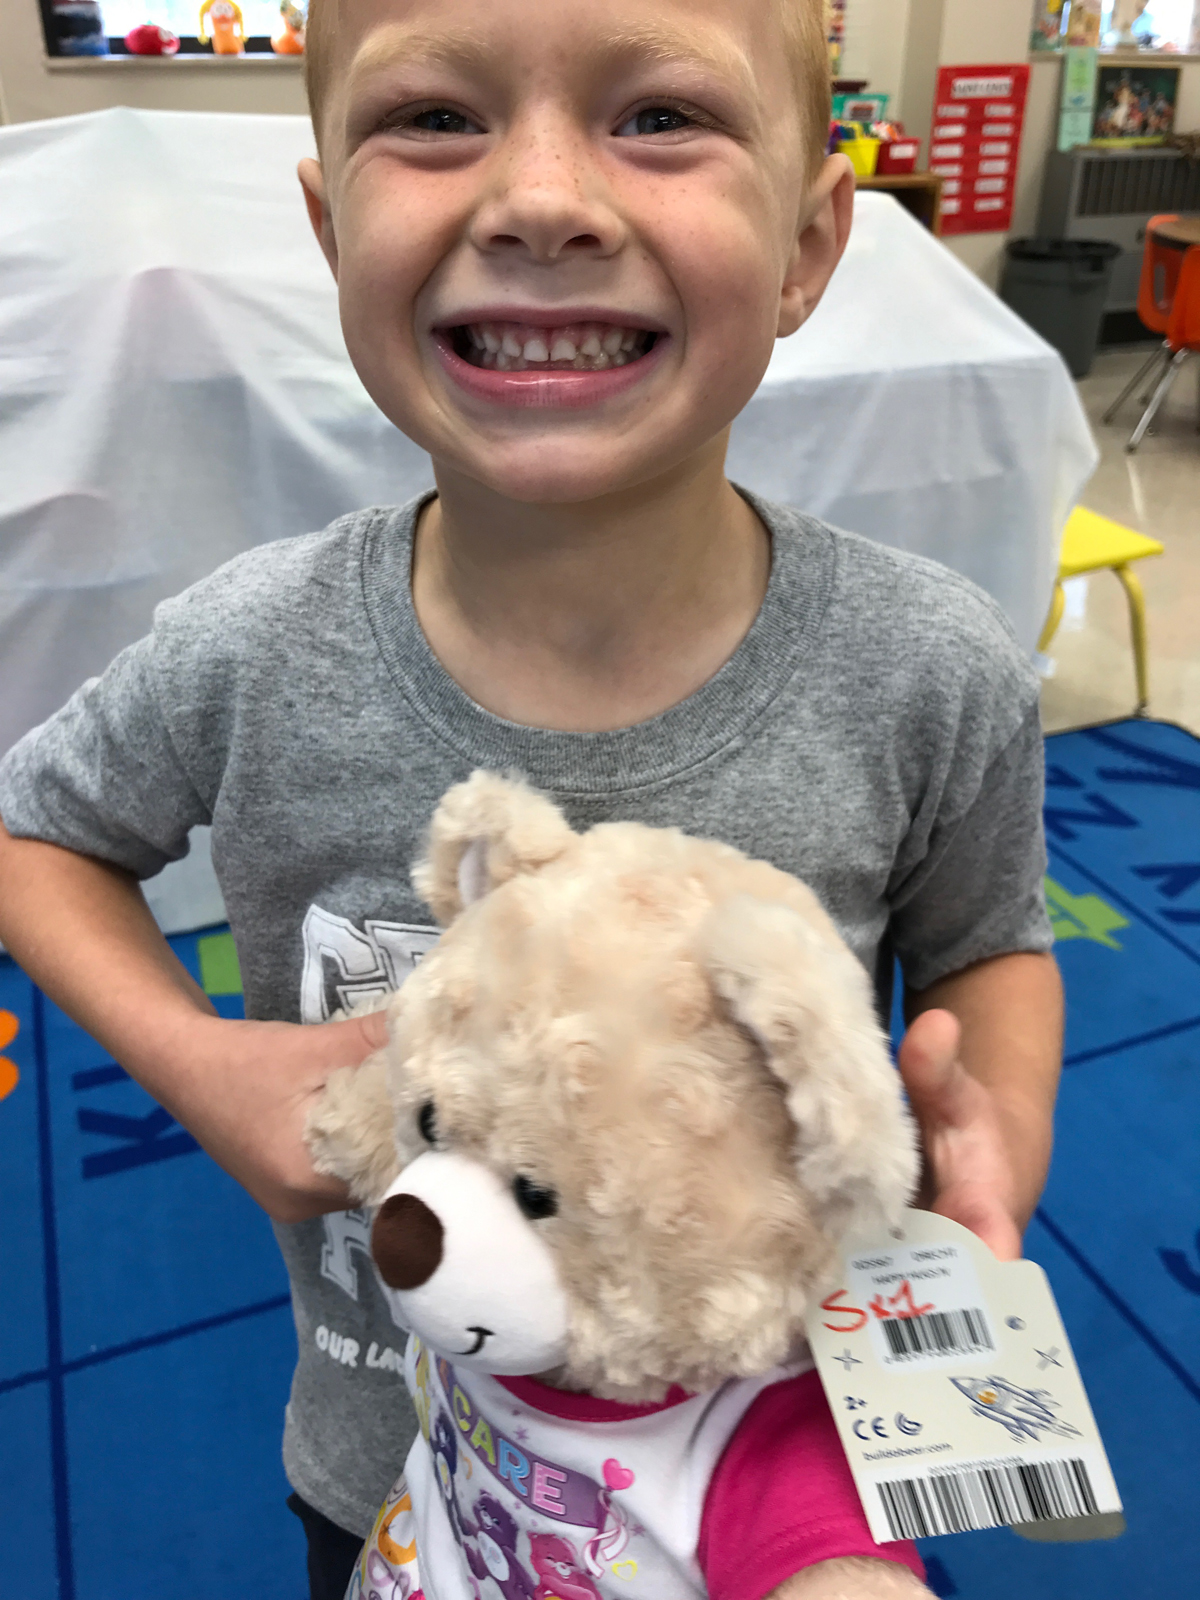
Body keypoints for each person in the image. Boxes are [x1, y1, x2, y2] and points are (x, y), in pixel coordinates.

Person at [0, 0, 1062, 1595]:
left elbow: (990, 939)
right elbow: (36, 835)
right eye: (433, 116)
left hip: (775, 1487)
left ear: (805, 238)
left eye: (659, 117)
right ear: (327, 223)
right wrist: (204, 1061)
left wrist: (1007, 1132)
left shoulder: (929, 666)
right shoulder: (247, 648)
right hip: (396, 1481)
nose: (541, 197)